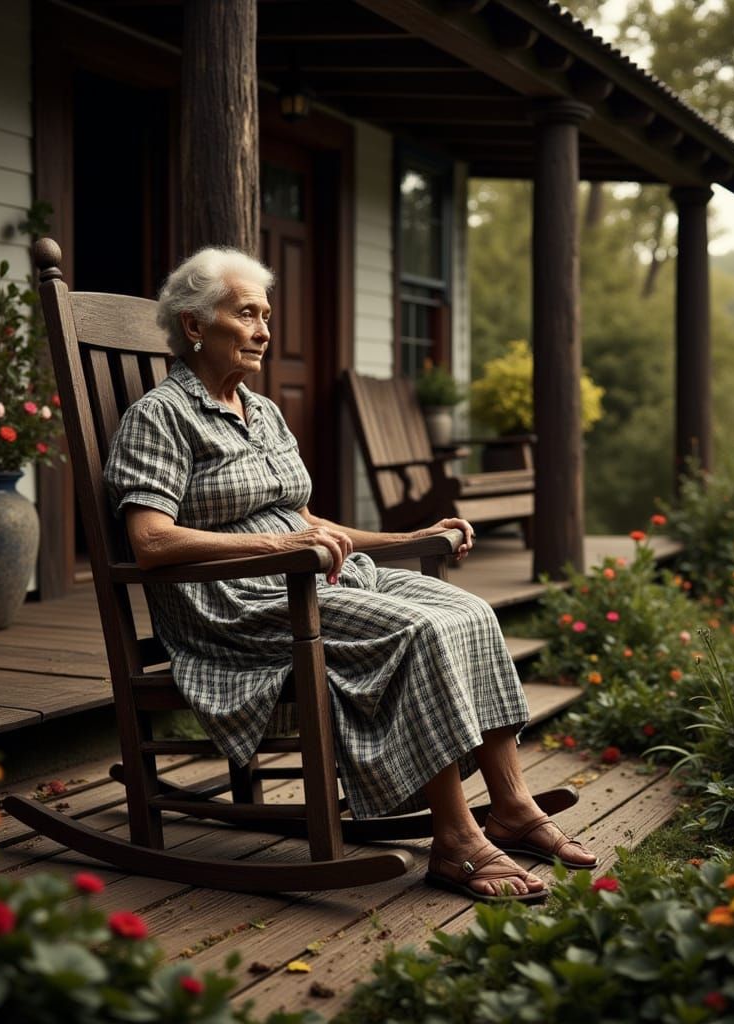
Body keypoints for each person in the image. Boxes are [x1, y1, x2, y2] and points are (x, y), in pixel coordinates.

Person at [103, 247, 597, 902]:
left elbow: (307, 520)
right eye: (246, 314)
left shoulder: (263, 411)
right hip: (239, 606)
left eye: (266, 315)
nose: (264, 331)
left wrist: (408, 539)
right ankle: (455, 839)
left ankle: (510, 806)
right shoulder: (159, 416)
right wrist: (281, 543)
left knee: (472, 612)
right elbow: (150, 541)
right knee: (419, 630)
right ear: (194, 325)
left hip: (314, 577)